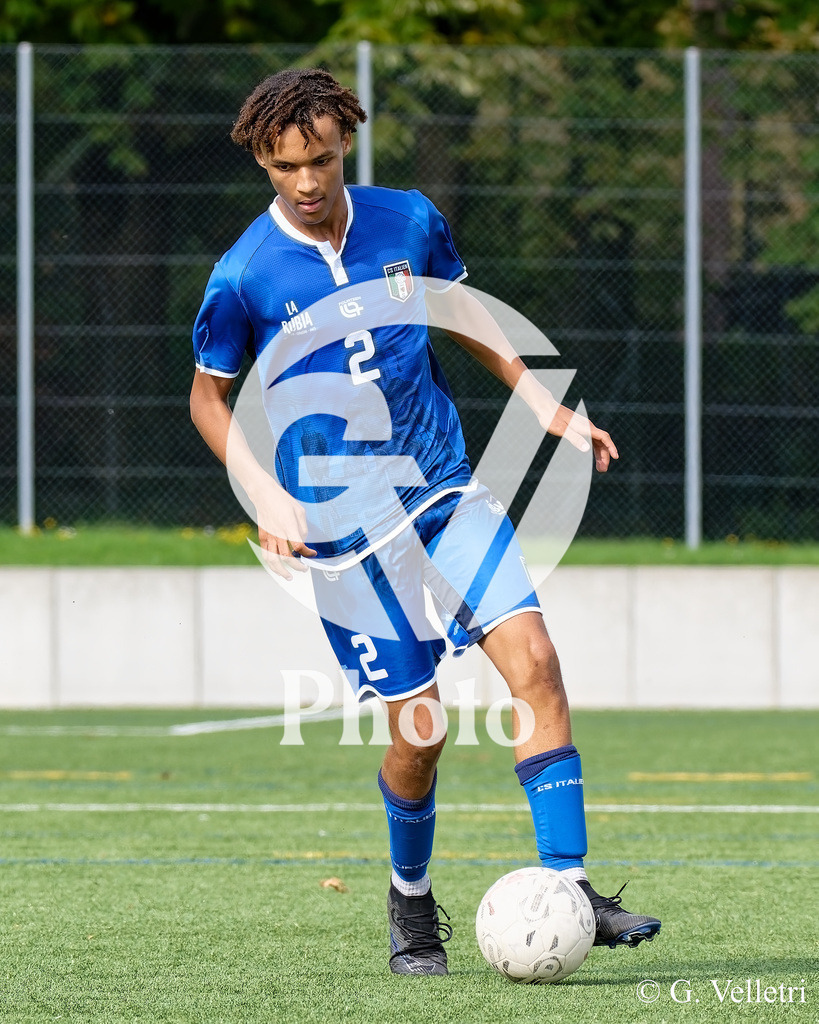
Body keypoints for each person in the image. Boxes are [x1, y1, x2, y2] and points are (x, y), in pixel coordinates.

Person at [190, 67, 660, 977]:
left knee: (537, 664)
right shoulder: (244, 274)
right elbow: (210, 401)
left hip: (443, 490)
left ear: (345, 143)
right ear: (262, 159)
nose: (309, 181)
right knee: (423, 734)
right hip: (342, 535)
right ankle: (410, 901)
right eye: (287, 167)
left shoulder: (406, 218)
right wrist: (266, 494)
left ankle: (570, 888)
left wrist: (542, 403)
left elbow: (464, 317)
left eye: (321, 158)